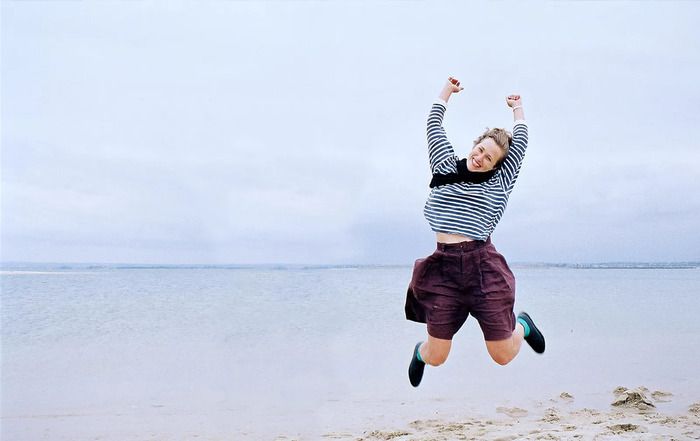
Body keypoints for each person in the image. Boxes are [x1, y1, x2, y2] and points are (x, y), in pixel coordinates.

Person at [405, 76, 545, 388]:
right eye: (480, 150)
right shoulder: (444, 166)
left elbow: (519, 146)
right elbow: (433, 126)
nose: (480, 159)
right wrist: (446, 92)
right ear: (474, 144)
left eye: (489, 158)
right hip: (442, 270)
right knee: (438, 356)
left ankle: (522, 325)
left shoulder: (500, 182)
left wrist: (518, 109)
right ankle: (419, 353)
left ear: (497, 165)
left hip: (483, 268)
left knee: (503, 355)